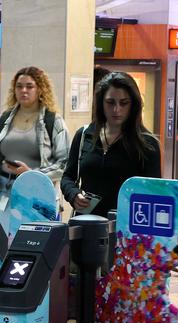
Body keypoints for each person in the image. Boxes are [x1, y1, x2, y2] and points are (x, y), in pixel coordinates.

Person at [61, 72, 161, 217]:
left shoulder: (147, 144)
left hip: (125, 230)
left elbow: (153, 193)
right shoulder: (84, 135)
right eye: (110, 102)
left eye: (124, 103)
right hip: (85, 226)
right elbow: (68, 177)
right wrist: (74, 194)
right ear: (101, 103)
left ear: (133, 104)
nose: (117, 109)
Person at [0, 66, 70, 213]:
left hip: (39, 199)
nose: (24, 90)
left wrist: (31, 174)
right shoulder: (2, 120)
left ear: (40, 89)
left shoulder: (54, 121)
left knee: (33, 236)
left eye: (29, 86)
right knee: (2, 236)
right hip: (4, 197)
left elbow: (64, 163)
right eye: (19, 86)